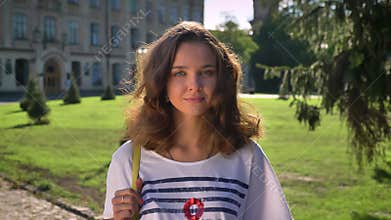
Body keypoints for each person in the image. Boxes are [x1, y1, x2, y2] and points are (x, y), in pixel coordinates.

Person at [103, 21, 292, 220]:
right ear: (161, 80)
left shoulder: (248, 156)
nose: (194, 85)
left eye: (206, 72)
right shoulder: (130, 159)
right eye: (180, 73)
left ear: (221, 80)